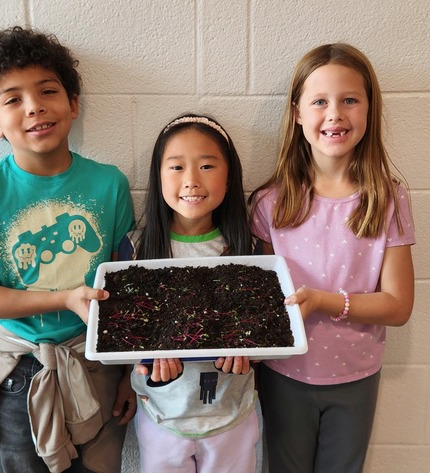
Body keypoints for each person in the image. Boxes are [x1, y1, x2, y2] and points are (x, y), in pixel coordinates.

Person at [0, 26, 135, 473]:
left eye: (47, 91)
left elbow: (129, 287)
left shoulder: (109, 183)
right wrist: (66, 298)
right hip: (18, 375)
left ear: (73, 104)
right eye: (12, 99)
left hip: (97, 366)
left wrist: (131, 373)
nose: (34, 106)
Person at [248, 43, 416, 473]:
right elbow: (264, 302)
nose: (335, 114)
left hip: (356, 378)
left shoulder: (387, 200)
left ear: (369, 109)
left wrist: (325, 301)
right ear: (298, 113)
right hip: (284, 376)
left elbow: (398, 306)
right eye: (320, 101)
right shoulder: (272, 203)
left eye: (350, 100)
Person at [120, 113, 260, 473]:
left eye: (208, 165)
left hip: (233, 414)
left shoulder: (249, 251)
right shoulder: (136, 249)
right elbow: (124, 333)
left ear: (229, 179)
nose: (192, 180)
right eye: (177, 167)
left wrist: (252, 354)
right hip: (161, 415)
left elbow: (263, 330)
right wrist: (149, 363)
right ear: (158, 177)